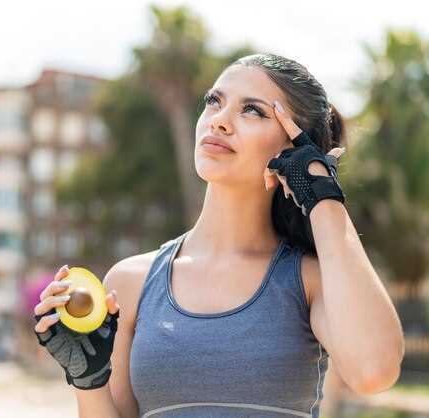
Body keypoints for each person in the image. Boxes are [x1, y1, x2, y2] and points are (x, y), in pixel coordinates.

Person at [33, 53, 405, 418]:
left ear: (293, 148)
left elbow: (374, 371)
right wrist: (89, 381)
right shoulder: (130, 282)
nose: (220, 121)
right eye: (215, 101)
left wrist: (322, 196)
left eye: (253, 110)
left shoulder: (309, 281)